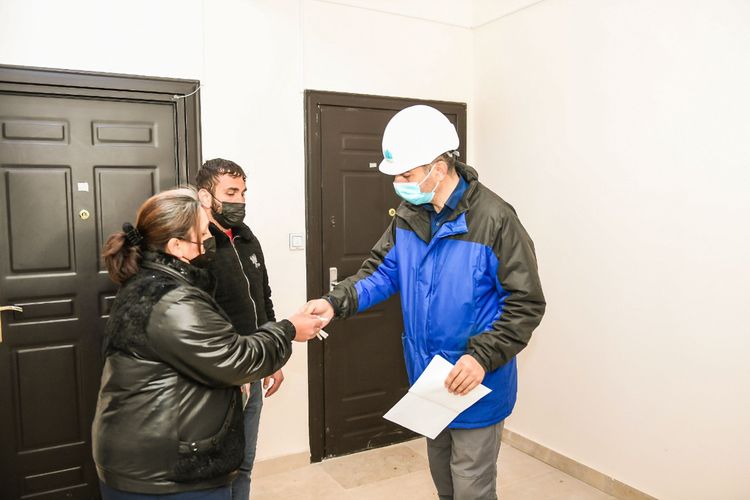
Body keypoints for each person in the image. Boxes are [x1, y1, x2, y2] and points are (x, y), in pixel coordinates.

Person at [305, 105, 546, 500]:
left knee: (471, 486)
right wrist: (335, 302)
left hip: (476, 378)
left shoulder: (495, 219)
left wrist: (481, 357)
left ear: (439, 168)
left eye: (406, 175)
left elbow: (525, 303)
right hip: (430, 377)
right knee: (443, 479)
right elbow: (382, 272)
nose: (398, 183)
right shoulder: (410, 216)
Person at [92, 188, 322, 500]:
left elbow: (210, 353)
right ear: (176, 245)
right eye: (202, 234)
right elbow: (236, 360)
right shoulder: (173, 300)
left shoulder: (148, 282)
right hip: (165, 473)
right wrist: (289, 329)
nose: (209, 240)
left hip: (143, 458)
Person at [194, 158, 280, 500]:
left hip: (254, 366)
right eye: (231, 193)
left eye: (243, 193)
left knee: (245, 462)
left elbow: (263, 298)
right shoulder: (195, 245)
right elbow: (196, 316)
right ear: (205, 196)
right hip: (218, 376)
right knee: (218, 468)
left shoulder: (247, 239)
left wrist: (273, 356)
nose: (240, 201)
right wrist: (230, 369)